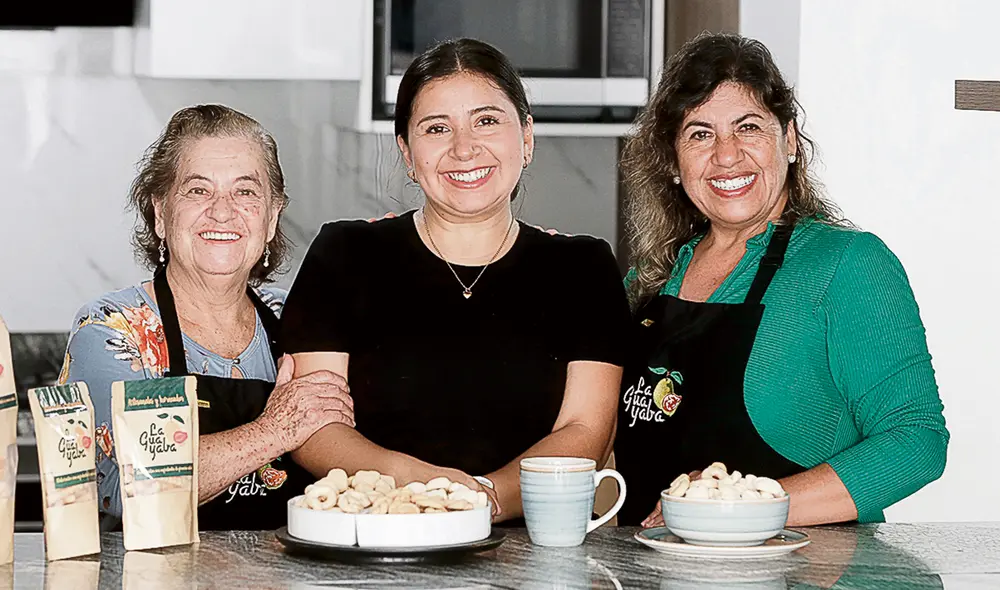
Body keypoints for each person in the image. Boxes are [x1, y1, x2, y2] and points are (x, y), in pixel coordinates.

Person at [280, 38, 631, 521]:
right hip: (372, 542)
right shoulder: (345, 254)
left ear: (526, 138)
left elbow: (586, 430)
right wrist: (423, 491)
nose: (464, 149)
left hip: (528, 554)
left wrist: (484, 501)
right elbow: (313, 428)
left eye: (487, 121)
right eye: (436, 128)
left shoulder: (583, 268)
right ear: (406, 151)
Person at [614, 33, 948, 527]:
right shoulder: (650, 278)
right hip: (649, 571)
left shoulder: (846, 265)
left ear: (788, 140)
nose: (726, 156)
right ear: (674, 161)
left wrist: (747, 507)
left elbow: (917, 440)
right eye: (700, 134)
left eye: (747, 127)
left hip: (807, 574)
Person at [59, 105, 354, 531]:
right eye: (198, 190)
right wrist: (275, 430)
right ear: (160, 213)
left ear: (271, 218)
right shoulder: (113, 329)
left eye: (246, 192)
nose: (222, 211)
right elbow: (126, 483)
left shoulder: (295, 318)